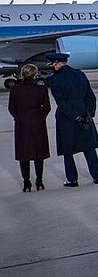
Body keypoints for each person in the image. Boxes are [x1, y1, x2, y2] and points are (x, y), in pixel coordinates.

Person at [45, 52, 98, 187]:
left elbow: (62, 103)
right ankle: (97, 176)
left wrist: (75, 118)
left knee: (68, 151)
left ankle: (72, 179)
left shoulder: (54, 79)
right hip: (85, 115)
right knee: (89, 148)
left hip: (67, 119)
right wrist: (89, 114)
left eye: (52, 65)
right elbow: (90, 96)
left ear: (57, 64)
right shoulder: (80, 74)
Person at [8, 64, 50, 192]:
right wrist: (40, 117)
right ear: (35, 74)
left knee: (24, 153)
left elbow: (11, 108)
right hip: (38, 123)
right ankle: (39, 181)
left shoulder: (15, 90)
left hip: (22, 124)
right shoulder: (41, 90)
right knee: (39, 153)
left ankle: (26, 182)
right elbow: (47, 107)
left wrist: (18, 117)